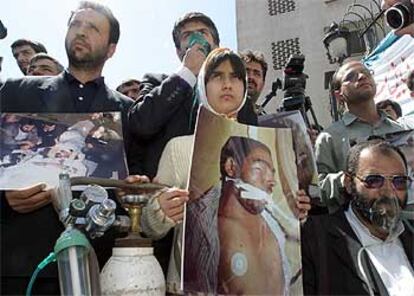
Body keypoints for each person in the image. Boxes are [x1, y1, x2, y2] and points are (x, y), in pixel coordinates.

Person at [140, 48, 309, 294]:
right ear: (203, 85)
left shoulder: (264, 141)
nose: (227, 84)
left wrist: (296, 211)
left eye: (236, 77)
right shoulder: (179, 148)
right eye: (217, 76)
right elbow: (148, 226)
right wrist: (159, 211)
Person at [0, 2, 133, 294]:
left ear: (111, 49)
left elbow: (135, 190)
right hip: (23, 272)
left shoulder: (128, 112)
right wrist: (5, 198)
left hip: (99, 270)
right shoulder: (15, 93)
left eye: (93, 28)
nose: (81, 32)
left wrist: (133, 190)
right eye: (76, 25)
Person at [128, 12, 256, 178]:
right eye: (187, 35)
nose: (197, 38)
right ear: (178, 50)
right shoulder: (157, 83)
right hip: (169, 193)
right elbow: (141, 124)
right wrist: (187, 73)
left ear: (216, 45)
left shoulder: (236, 94)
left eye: (203, 33)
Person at [302, 139, 414, 295]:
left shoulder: (410, 233)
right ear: (349, 183)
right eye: (374, 181)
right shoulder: (314, 239)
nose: (389, 192)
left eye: (399, 181)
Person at [315, 60, 404, 213]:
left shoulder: (400, 130)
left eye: (366, 73)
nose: (362, 76)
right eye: (351, 76)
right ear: (339, 95)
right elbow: (316, 190)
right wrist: (344, 181)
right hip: (358, 229)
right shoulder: (329, 138)